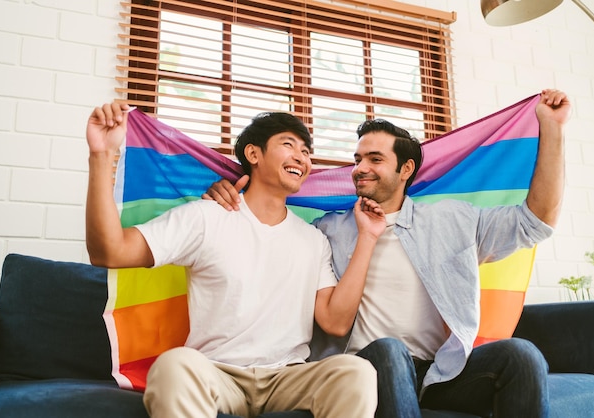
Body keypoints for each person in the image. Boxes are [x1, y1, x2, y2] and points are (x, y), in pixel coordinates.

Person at [203, 89, 571, 418]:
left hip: (439, 372)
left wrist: (552, 129)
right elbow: (270, 225)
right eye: (357, 158)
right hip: (365, 367)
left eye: (375, 159)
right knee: (391, 351)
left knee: (520, 356)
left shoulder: (451, 220)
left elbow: (535, 222)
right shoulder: (325, 230)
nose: (360, 168)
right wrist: (225, 196)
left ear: (405, 168)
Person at [84, 102, 388, 418]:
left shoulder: (313, 240)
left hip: (288, 376)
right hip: (217, 372)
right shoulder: (206, 218)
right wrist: (101, 155)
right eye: (289, 145)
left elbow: (335, 323)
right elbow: (109, 251)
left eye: (306, 151)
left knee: (356, 372)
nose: (301, 157)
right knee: (173, 365)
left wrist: (368, 236)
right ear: (254, 155)